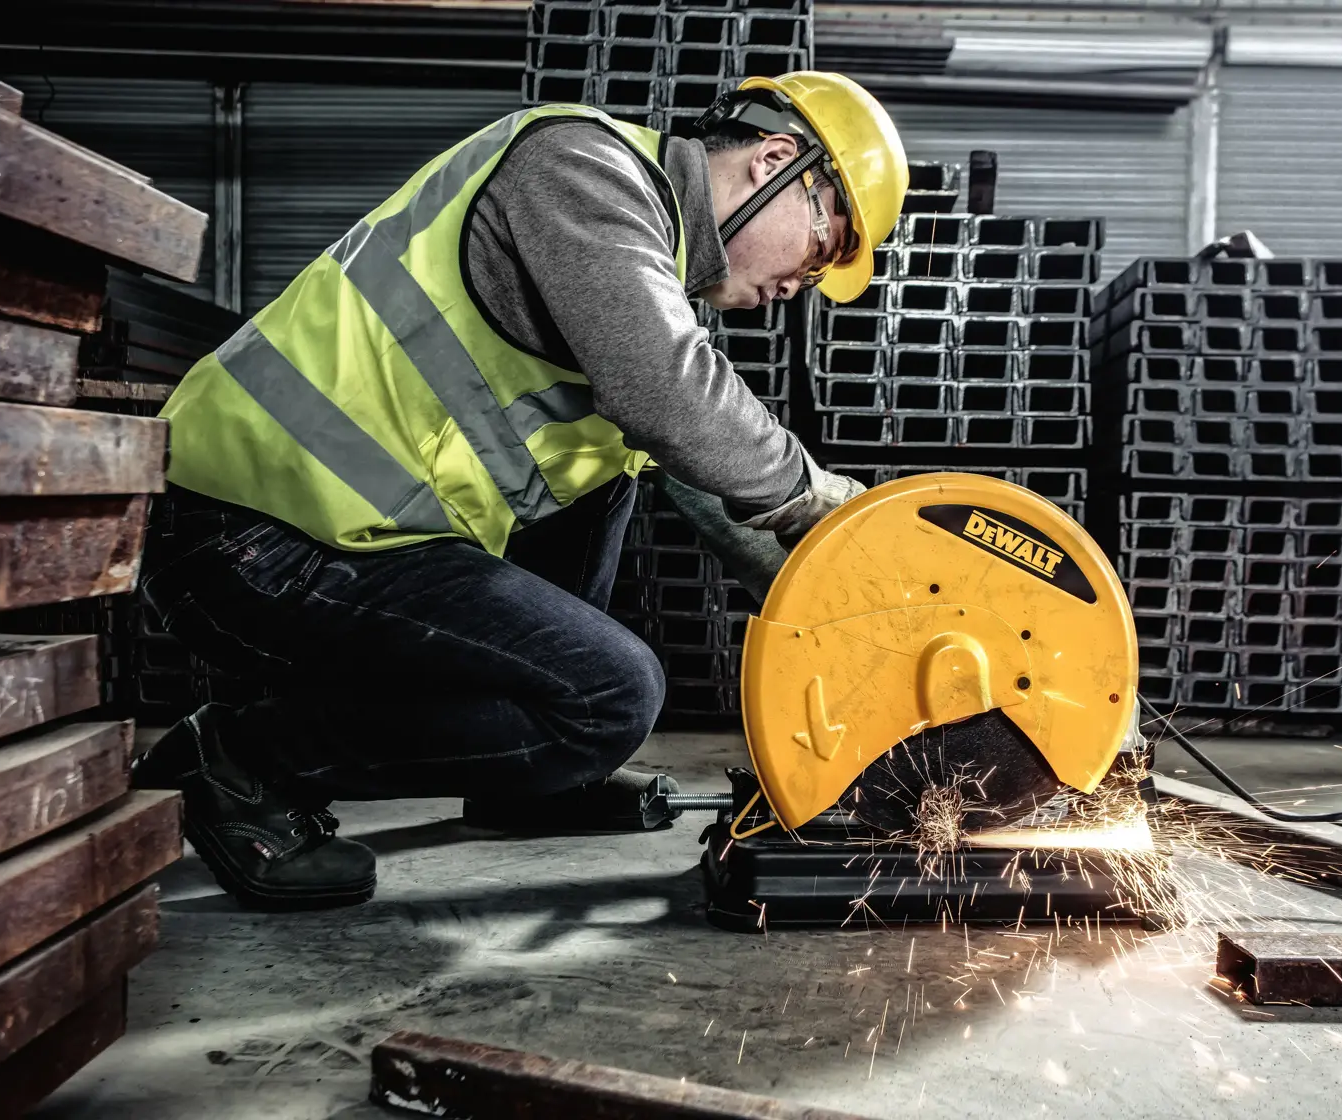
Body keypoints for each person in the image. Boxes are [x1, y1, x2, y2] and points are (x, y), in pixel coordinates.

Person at [130, 72, 908, 910]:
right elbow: (670, 393)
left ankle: (533, 782)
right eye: (823, 249)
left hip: (346, 535)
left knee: (612, 477)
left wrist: (860, 598)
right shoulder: (578, 168)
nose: (802, 284)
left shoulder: (639, 278)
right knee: (612, 697)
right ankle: (242, 758)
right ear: (776, 161)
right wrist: (827, 500)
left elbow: (712, 484)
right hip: (247, 537)